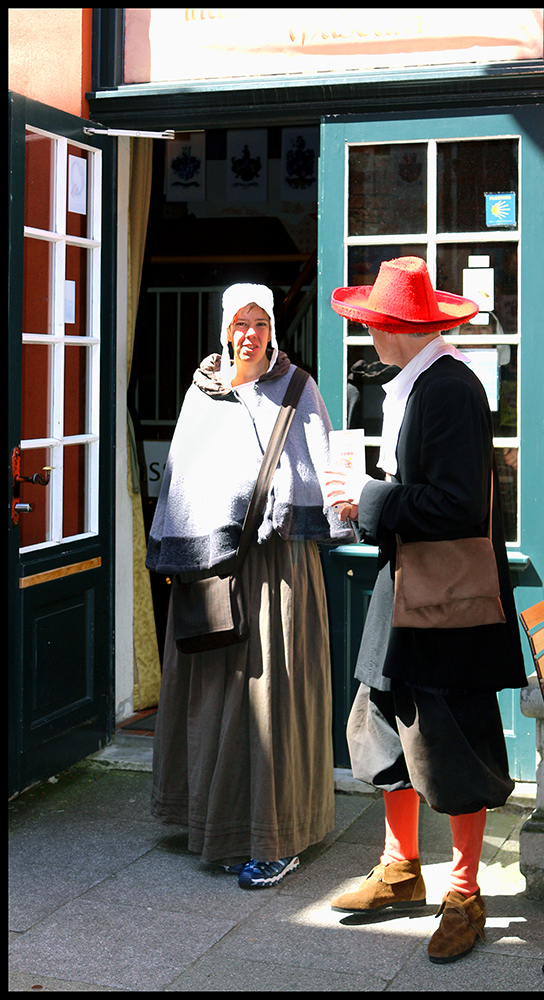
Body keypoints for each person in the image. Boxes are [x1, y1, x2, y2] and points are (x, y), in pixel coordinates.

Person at [324, 257, 527, 963]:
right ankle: (401, 869)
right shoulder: (417, 385)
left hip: (443, 597)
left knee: (452, 743)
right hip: (406, 585)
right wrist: (370, 491)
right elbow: (425, 489)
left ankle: (464, 895)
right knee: (381, 724)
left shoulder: (447, 391)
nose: (368, 334)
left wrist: (370, 499)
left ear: (396, 329)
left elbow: (456, 505)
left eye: (373, 324)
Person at [147, 282, 353, 889]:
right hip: (214, 569)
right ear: (223, 328)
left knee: (272, 700)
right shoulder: (202, 393)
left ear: (273, 330)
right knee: (214, 697)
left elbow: (318, 473)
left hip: (277, 569)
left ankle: (274, 837)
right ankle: (208, 821)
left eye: (260, 322)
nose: (249, 334)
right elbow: (182, 478)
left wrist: (283, 506)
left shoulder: (298, 390)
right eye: (239, 323)